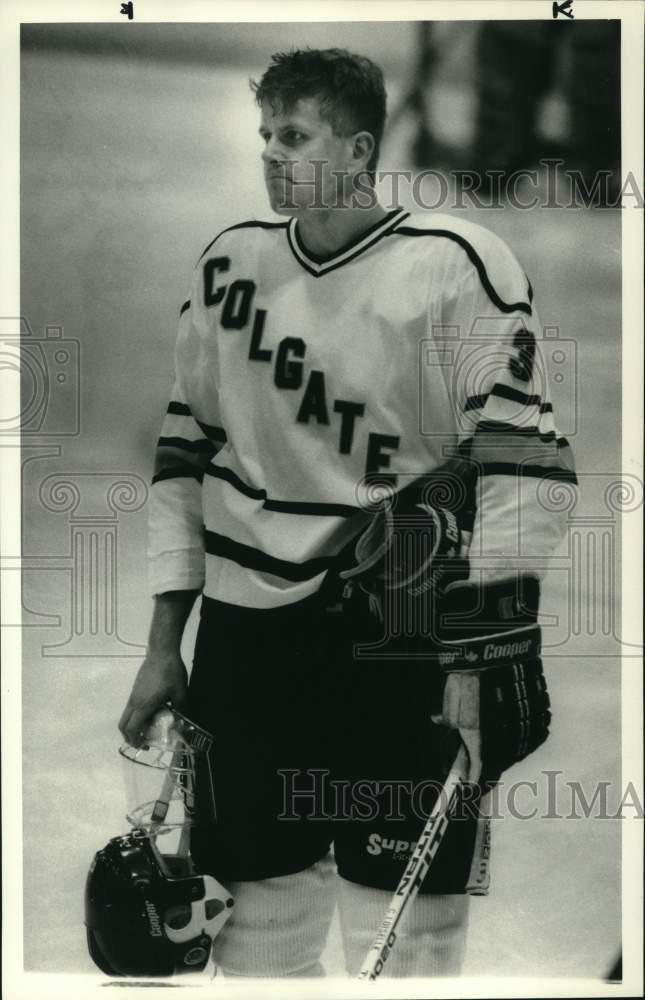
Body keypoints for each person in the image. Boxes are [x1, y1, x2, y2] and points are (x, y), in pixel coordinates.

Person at [119, 48, 576, 978]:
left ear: (359, 149)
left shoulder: (457, 265)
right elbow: (184, 453)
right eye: (265, 135)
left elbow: (524, 464)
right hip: (247, 645)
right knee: (253, 936)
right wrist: (166, 641)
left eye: (294, 136)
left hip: (399, 639)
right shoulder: (229, 264)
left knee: (408, 944)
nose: (270, 154)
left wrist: (480, 654)